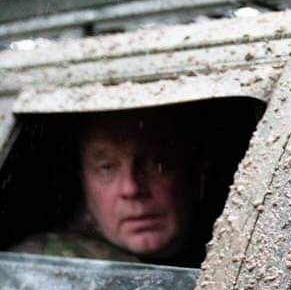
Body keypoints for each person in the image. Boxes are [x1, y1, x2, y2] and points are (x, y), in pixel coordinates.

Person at [11, 106, 205, 265]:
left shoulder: (220, 255)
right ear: (83, 184)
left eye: (157, 163)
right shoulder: (39, 267)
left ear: (197, 176)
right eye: (106, 167)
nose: (131, 188)